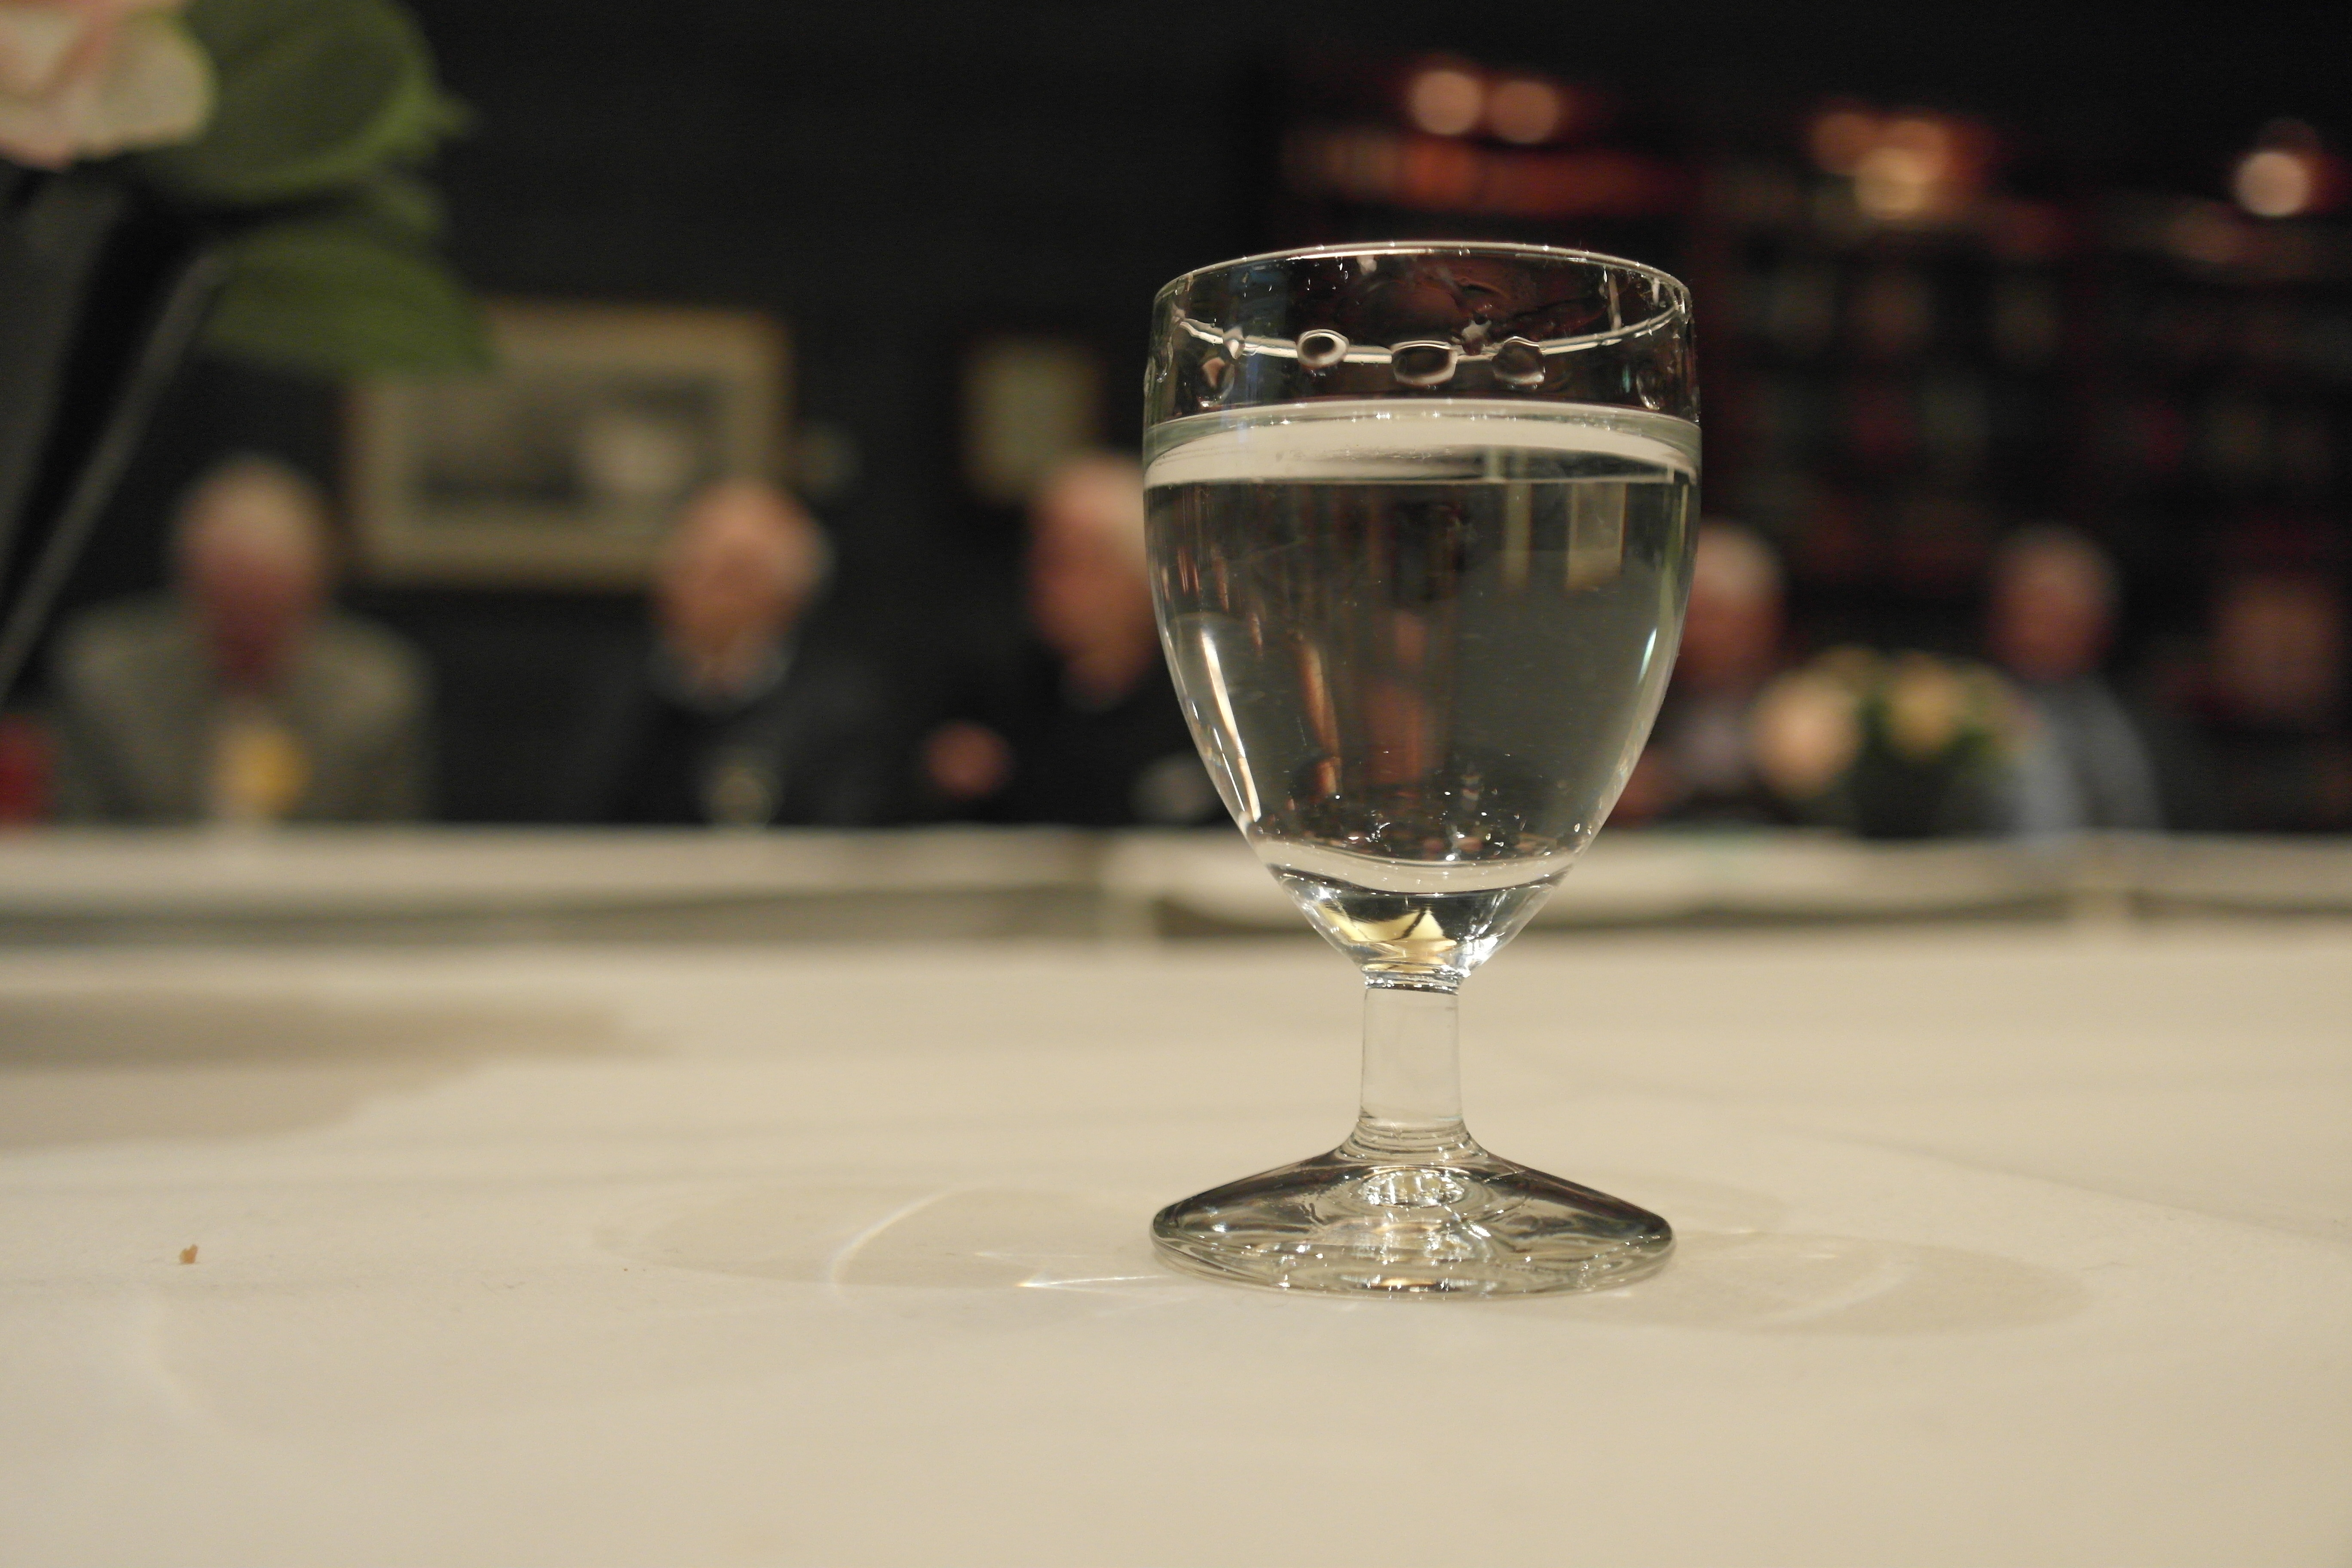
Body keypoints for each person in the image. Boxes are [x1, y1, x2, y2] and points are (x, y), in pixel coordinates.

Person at [50, 456, 429, 823]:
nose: (250, 632)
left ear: (315, 595)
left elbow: (389, 846)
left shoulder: (375, 693)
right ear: (189, 586)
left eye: (270, 611)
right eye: (231, 609)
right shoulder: (107, 679)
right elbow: (80, 841)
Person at [563, 479, 912, 826]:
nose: (701, 591)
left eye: (730, 575)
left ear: (788, 596)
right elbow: (577, 814)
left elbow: (843, 832)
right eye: (690, 568)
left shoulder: (838, 708)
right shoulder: (615, 692)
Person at [922, 453, 1219, 827]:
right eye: (1040, 556)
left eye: (1072, 560)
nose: (1045, 581)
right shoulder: (1000, 696)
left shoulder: (1207, 699)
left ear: (1143, 571)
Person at [1983, 527, 2163, 834]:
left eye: (2060, 610)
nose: (2041, 628)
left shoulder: (2148, 720)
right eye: (2031, 608)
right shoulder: (1961, 714)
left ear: (2100, 623)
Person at [1615, 521, 1794, 825]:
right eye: (1686, 618)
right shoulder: (1644, 697)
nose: (1694, 635)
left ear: (1762, 615)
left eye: (1711, 615)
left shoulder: (1801, 692)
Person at [2185, 569, 2351, 832]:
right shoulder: (2178, 737)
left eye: (2295, 653)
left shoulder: (2336, 740)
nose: (2279, 667)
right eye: (2264, 647)